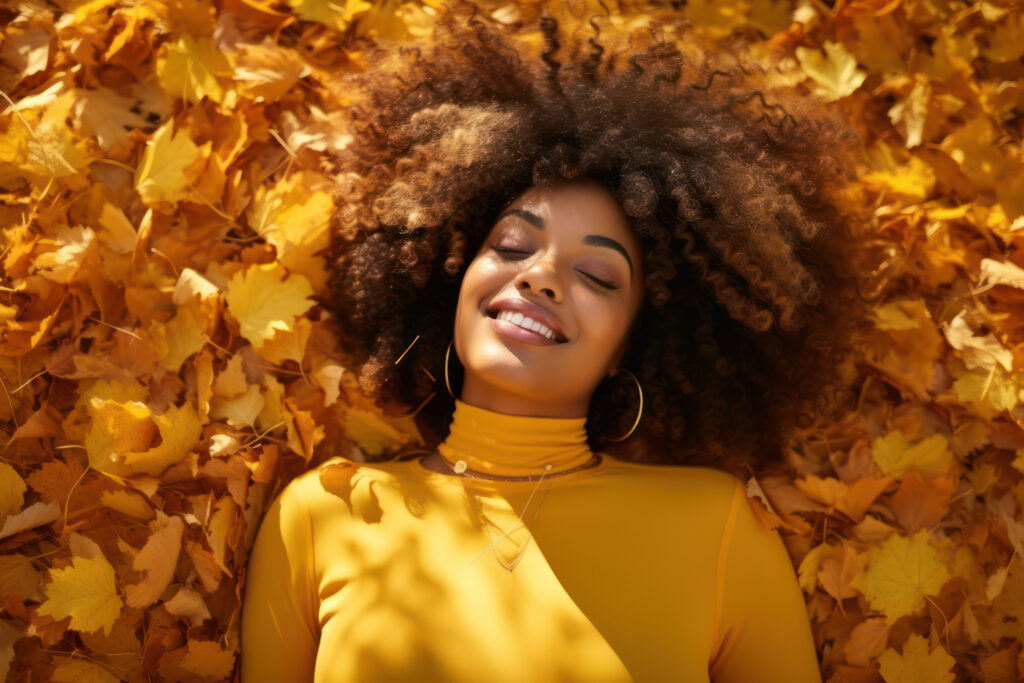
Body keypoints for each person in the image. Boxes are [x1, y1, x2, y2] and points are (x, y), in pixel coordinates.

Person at [241, 2, 877, 681]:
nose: (541, 276)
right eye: (512, 245)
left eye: (598, 275)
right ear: (446, 273)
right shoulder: (321, 516)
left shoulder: (718, 527)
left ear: (633, 344)